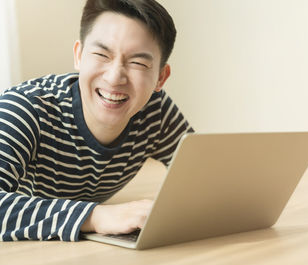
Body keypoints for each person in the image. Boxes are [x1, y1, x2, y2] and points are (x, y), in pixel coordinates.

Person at [0, 0, 193, 241]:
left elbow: (205, 174)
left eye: (138, 63)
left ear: (160, 78)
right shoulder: (25, 109)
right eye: (102, 54)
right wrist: (95, 217)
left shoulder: (155, 111)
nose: (114, 78)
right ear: (79, 56)